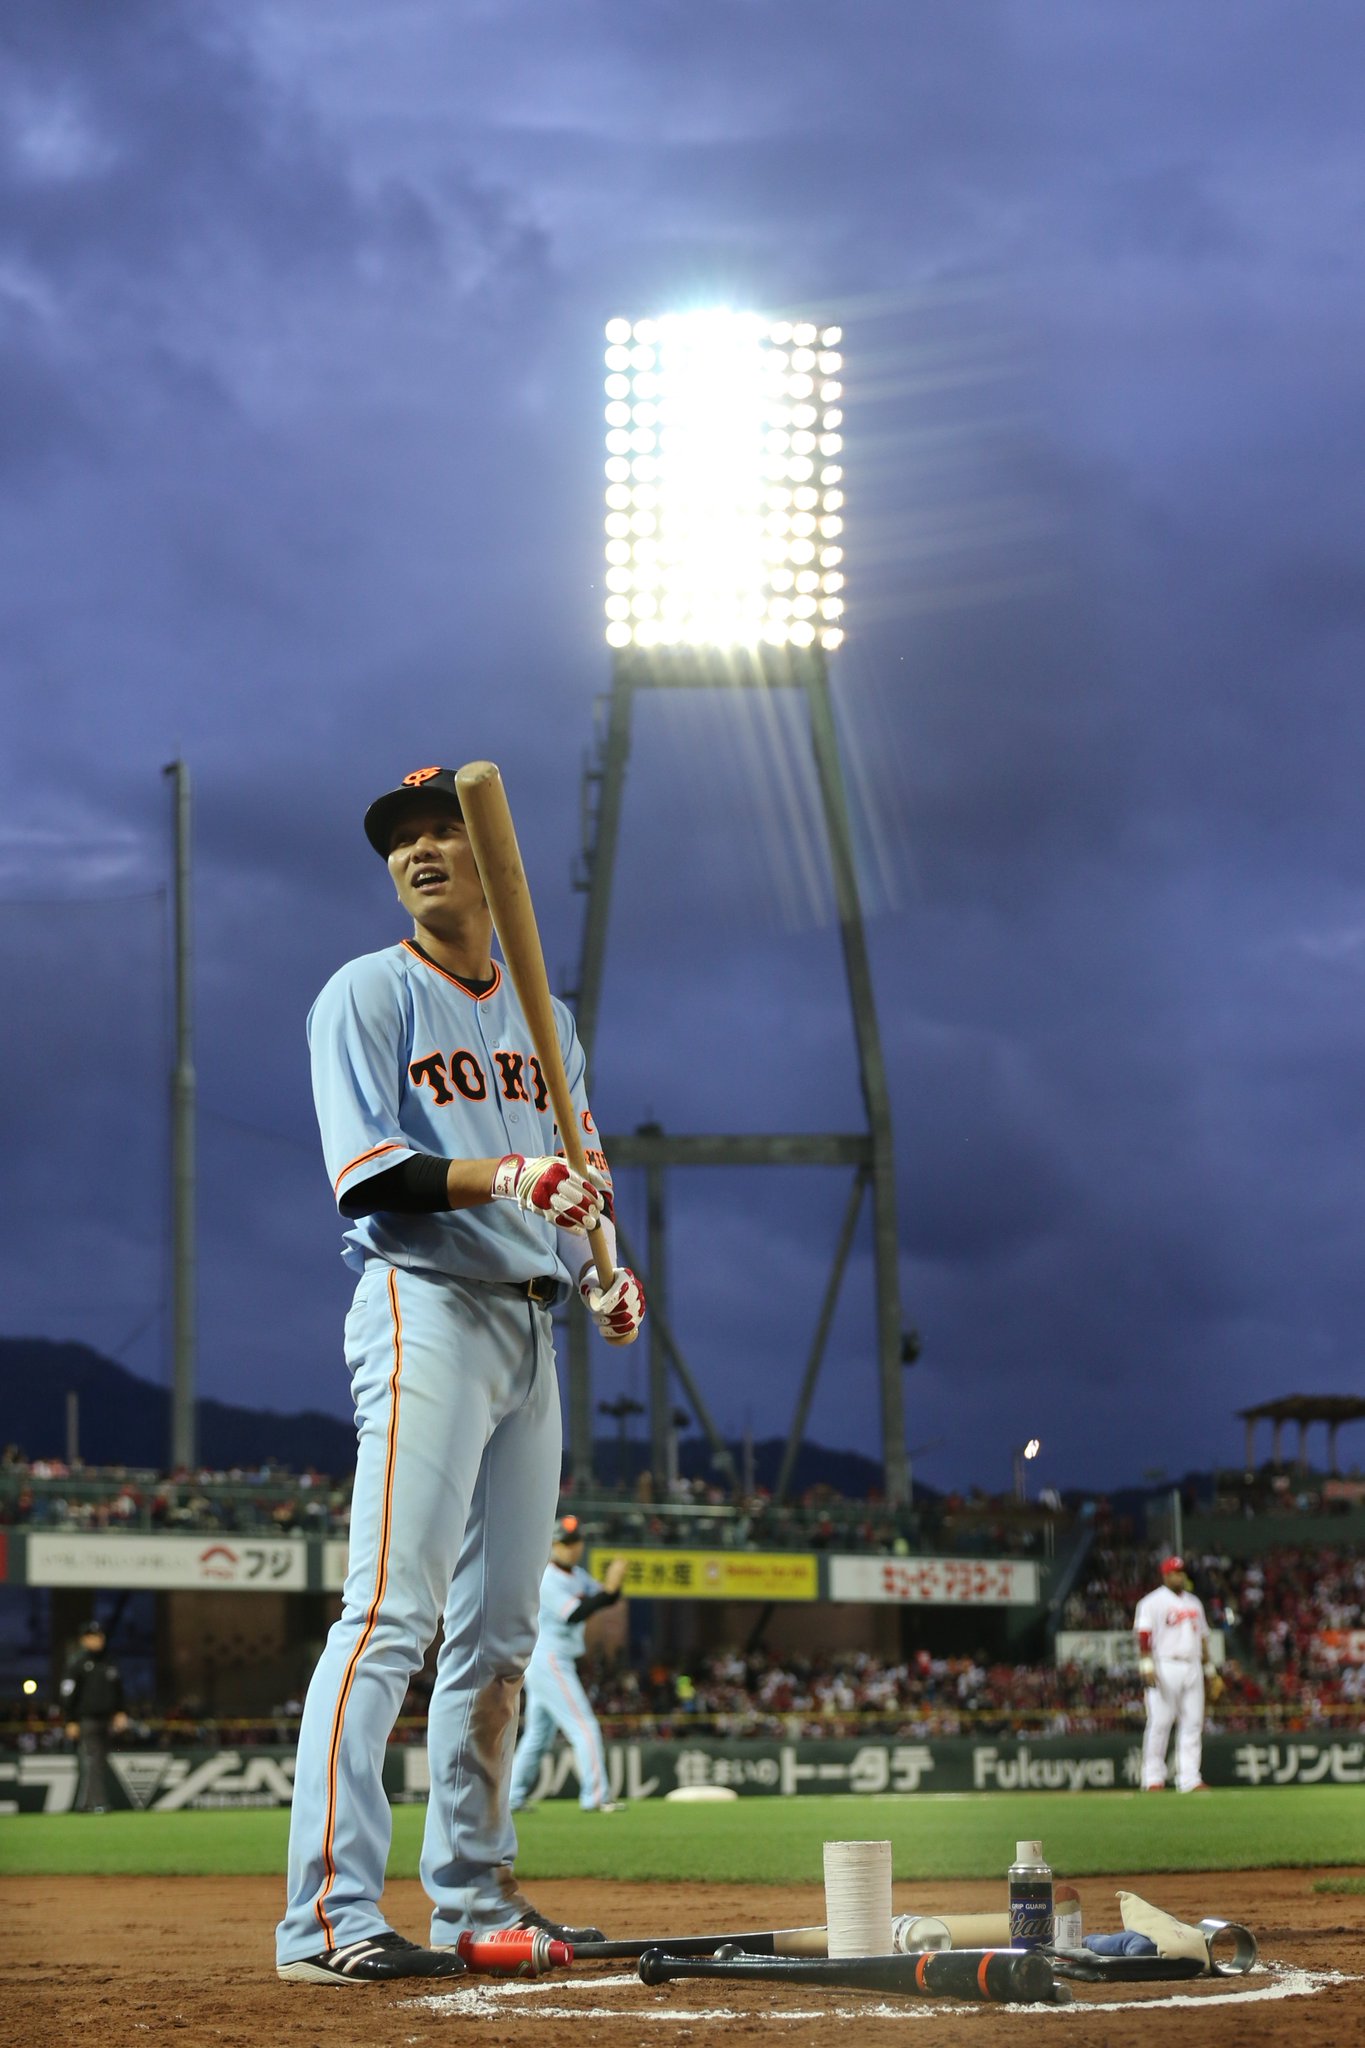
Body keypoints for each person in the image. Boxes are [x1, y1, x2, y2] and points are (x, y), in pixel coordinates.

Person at [275, 765, 646, 1986]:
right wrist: (507, 1179)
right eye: (403, 843)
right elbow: (369, 1172)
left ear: (496, 862)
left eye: (446, 833)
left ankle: (474, 1893)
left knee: (498, 1638)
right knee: (390, 1612)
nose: (422, 852)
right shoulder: (365, 991)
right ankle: (325, 1917)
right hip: (422, 1299)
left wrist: (605, 1268)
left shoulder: (549, 1017)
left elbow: (577, 1148)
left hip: (535, 1321)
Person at [509, 1515, 627, 1814]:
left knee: (538, 1736)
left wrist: (614, 1589)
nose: (572, 1548)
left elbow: (604, 1598)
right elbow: (575, 1613)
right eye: (565, 1543)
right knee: (584, 1725)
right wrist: (608, 1591)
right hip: (549, 1658)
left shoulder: (577, 1575)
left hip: (553, 1659)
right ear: (552, 1545)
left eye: (575, 1542)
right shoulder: (546, 1577)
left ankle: (511, 1797)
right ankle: (596, 1796)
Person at [1133, 1554, 1222, 1792]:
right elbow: (1143, 1636)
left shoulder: (1194, 1603)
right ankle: (1153, 1778)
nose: (1179, 1575)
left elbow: (1203, 1638)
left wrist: (1210, 1670)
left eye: (1181, 1572)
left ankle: (1190, 1779)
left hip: (1192, 1665)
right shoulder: (1151, 1602)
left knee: (1193, 1723)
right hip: (1164, 1664)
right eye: (1174, 1572)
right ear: (1165, 1575)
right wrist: (1146, 1666)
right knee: (1160, 1722)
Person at [60, 1618, 127, 1812]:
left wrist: (120, 1712)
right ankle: (93, 1803)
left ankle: (91, 1802)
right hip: (86, 1720)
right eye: (92, 1636)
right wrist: (70, 1720)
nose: (97, 1640)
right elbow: (68, 1693)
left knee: (99, 1762)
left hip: (107, 1719)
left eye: (99, 1636)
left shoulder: (109, 1662)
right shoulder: (77, 1663)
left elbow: (119, 1690)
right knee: (91, 1760)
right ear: (84, 1639)